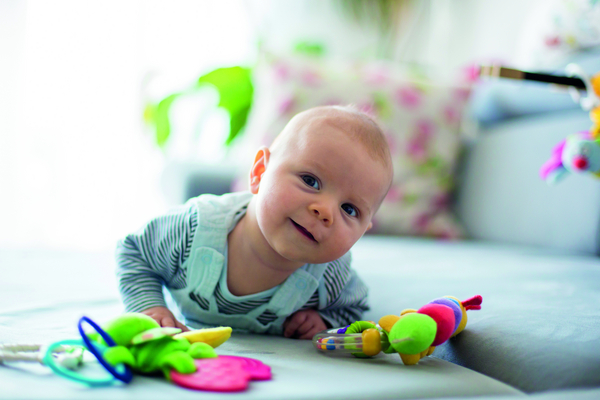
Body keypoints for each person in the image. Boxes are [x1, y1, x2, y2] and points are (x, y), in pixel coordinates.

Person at [116, 105, 393, 340]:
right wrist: (149, 307)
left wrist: (323, 320)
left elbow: (354, 307)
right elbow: (135, 252)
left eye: (349, 209)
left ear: (363, 231)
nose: (325, 211)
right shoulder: (194, 229)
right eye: (310, 181)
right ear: (260, 171)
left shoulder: (330, 277)